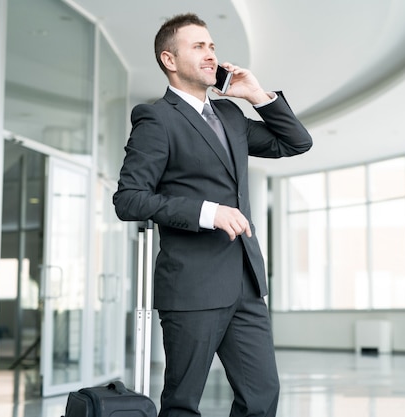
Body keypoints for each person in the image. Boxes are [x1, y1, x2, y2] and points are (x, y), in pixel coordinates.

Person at [113, 13, 313, 417]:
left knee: (261, 398)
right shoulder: (156, 119)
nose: (211, 54)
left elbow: (295, 143)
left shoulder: (231, 116)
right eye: (198, 46)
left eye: (212, 47)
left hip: (245, 283)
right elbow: (129, 199)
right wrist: (209, 212)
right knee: (183, 404)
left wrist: (257, 95)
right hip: (192, 287)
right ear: (170, 60)